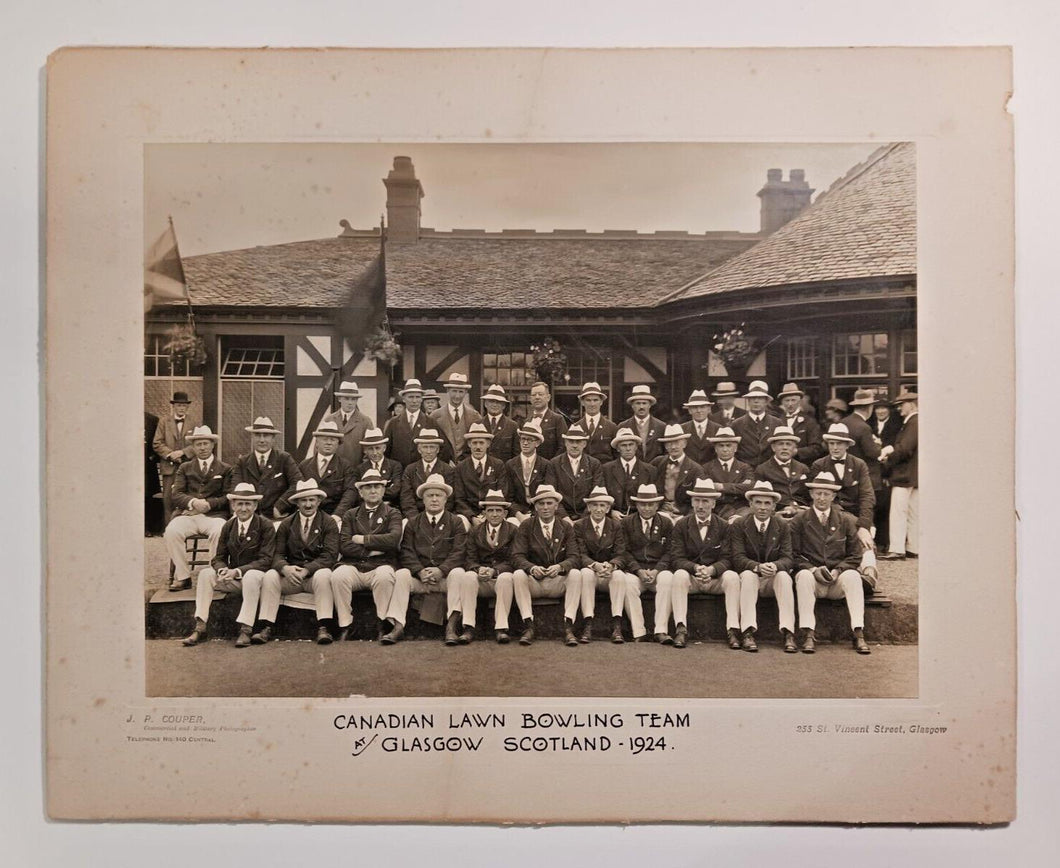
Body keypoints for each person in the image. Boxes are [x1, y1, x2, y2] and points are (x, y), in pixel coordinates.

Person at [181, 482, 277, 648]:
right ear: (233, 506)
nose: (244, 508)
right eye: (239, 504)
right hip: (234, 578)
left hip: (257, 577)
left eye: (248, 504)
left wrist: (237, 571)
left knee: (252, 576)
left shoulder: (265, 525)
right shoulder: (228, 526)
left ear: (255, 506)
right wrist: (222, 569)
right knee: (205, 574)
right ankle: (200, 625)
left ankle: (246, 629)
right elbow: (218, 557)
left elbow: (266, 560)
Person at [790, 471, 871, 654]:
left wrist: (839, 570)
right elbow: (793, 555)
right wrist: (812, 569)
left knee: (852, 575)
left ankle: (858, 632)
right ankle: (808, 633)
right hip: (813, 581)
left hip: (837, 581)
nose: (822, 498)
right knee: (802, 576)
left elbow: (855, 556)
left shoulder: (845, 520)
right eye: (818, 493)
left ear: (833, 496)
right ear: (811, 494)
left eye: (826, 494)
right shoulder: (800, 520)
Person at [394, 473, 478, 646]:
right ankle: (398, 625)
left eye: (438, 495)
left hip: (445, 578)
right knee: (402, 574)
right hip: (421, 578)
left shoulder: (455, 522)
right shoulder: (413, 523)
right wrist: (418, 570)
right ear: (423, 500)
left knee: (458, 573)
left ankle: (452, 626)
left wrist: (442, 569)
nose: (434, 499)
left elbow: (459, 551)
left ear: (445, 499)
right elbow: (407, 551)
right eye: (429, 495)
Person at [259, 479, 340, 645]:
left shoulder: (328, 522)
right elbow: (277, 555)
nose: (308, 504)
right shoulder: (286, 524)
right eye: (303, 500)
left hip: (314, 577)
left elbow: (330, 555)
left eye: (312, 500)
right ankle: (266, 626)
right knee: (270, 576)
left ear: (319, 501)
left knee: (325, 575)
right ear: (296, 503)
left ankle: (324, 627)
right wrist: (285, 569)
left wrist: (307, 570)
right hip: (292, 578)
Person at [329, 469, 405, 644]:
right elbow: (345, 545)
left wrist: (363, 539)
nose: (373, 491)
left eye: (377, 487)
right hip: (354, 565)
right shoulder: (351, 514)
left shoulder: (392, 513)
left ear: (383, 490)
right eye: (368, 487)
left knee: (385, 576)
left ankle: (382, 624)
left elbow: (392, 540)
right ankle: (345, 625)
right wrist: (370, 551)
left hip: (381, 564)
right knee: (339, 576)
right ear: (360, 492)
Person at [665, 478, 741, 649]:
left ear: (713, 504)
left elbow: (728, 558)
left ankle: (733, 629)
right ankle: (681, 628)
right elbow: (676, 558)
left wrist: (713, 569)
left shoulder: (724, 526)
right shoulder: (681, 525)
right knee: (678, 575)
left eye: (705, 501)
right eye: (697, 500)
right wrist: (695, 568)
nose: (700, 506)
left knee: (732, 577)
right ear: (691, 502)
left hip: (714, 580)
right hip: (692, 578)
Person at [510, 485, 584, 646]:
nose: (545, 507)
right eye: (541, 504)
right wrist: (531, 568)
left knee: (576, 574)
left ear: (556, 506)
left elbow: (575, 557)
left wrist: (560, 567)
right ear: (535, 506)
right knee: (517, 575)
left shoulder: (565, 527)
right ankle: (528, 625)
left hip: (557, 580)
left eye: (549, 503)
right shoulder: (526, 526)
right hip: (534, 582)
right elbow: (516, 556)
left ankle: (568, 626)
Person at [809, 423, 879, 592]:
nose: (834, 447)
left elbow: (867, 496)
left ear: (847, 445)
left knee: (865, 538)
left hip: (855, 516)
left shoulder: (859, 464)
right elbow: (818, 497)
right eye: (831, 443)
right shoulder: (819, 464)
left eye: (839, 443)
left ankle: (869, 574)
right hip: (830, 514)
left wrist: (864, 525)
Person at [730, 481, 797, 653]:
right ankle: (747, 631)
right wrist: (758, 567)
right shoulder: (739, 525)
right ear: (750, 504)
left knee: (784, 576)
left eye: (767, 503)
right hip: (749, 578)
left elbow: (788, 558)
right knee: (748, 575)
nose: (762, 507)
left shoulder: (782, 526)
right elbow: (737, 558)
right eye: (758, 502)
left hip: (771, 579)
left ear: (774, 506)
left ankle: (788, 632)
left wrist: (775, 566)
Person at [163, 425, 232, 592]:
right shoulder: (184, 468)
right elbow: (176, 494)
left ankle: (214, 575)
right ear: (193, 447)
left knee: (220, 530)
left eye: (206, 443)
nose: (202, 448)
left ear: (213, 445)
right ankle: (183, 576)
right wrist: (194, 502)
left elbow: (228, 496)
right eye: (198, 444)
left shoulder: (225, 468)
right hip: (188, 515)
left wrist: (208, 505)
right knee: (171, 531)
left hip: (214, 516)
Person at [571, 486, 630, 643]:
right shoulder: (579, 526)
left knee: (619, 575)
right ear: (589, 507)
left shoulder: (616, 526)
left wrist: (611, 565)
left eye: (602, 505)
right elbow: (579, 554)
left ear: (608, 508)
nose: (598, 509)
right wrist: (594, 565)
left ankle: (617, 623)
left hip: (608, 573)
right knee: (585, 573)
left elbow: (621, 553)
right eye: (594, 505)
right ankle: (588, 622)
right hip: (591, 572)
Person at [619, 484, 676, 643]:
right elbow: (624, 551)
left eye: (651, 504)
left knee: (667, 579)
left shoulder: (666, 523)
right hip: (637, 572)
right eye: (643, 504)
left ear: (657, 505)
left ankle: (661, 630)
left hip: (657, 572)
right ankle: (638, 631)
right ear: (636, 505)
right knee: (627, 582)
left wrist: (657, 570)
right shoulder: (626, 523)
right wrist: (638, 571)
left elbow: (670, 552)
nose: (646, 508)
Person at [464, 489, 519, 643]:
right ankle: (468, 627)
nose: (494, 514)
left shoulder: (513, 531)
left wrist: (495, 570)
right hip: (481, 576)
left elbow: (515, 559)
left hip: (501, 575)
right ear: (484, 514)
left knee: (506, 578)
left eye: (498, 511)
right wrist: (477, 569)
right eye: (490, 510)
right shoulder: (475, 531)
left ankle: (501, 628)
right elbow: (469, 558)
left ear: (505, 514)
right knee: (468, 577)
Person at [231, 416, 302, 519]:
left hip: (277, 517)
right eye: (258, 435)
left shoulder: (284, 458)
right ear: (252, 437)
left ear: (273, 438)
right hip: (249, 516)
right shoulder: (243, 462)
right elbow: (235, 489)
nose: (262, 440)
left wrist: (280, 506)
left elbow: (298, 483)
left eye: (266, 435)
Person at [843, 388, 886, 548]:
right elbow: (873, 452)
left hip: (846, 474)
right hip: (865, 474)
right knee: (867, 508)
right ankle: (867, 545)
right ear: (869, 408)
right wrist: (879, 445)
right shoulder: (864, 427)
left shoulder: (844, 422)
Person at [879, 389, 919, 560]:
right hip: (915, 476)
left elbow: (905, 449)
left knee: (898, 512)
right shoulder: (917, 421)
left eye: (902, 405)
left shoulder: (913, 422)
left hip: (904, 475)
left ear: (911, 405)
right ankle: (914, 547)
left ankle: (897, 548)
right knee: (913, 512)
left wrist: (887, 456)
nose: (899, 408)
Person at [152, 390, 200, 524]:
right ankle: (169, 529)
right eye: (179, 405)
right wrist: (170, 454)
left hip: (188, 467)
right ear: (173, 406)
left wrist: (183, 452)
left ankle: (186, 529)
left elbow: (197, 444)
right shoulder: (164, 422)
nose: (181, 408)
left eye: (184, 406)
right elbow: (157, 443)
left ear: (187, 407)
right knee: (168, 499)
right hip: (169, 467)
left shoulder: (194, 422)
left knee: (187, 497)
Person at [295, 420, 357, 522]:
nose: (328, 443)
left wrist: (337, 515)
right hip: (308, 515)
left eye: (332, 440)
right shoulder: (304, 465)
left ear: (338, 444)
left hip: (335, 516)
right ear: (317, 443)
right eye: (325, 439)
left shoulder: (345, 466)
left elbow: (350, 493)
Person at [453, 422, 510, 527]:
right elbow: (459, 498)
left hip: (493, 511)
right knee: (461, 524)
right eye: (474, 443)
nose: (478, 447)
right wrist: (472, 517)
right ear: (469, 444)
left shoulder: (498, 465)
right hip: (469, 514)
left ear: (488, 444)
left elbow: (502, 492)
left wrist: (488, 513)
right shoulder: (461, 467)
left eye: (481, 443)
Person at [546, 423, 602, 522]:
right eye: (571, 441)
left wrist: (584, 519)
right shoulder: (554, 464)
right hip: (561, 516)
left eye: (578, 442)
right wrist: (564, 517)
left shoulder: (594, 464)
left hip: (587, 516)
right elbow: (551, 494)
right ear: (565, 443)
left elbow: (596, 494)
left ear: (584, 444)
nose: (575, 445)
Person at [398, 428, 456, 519]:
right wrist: (415, 519)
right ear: (419, 449)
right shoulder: (410, 470)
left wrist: (438, 517)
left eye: (432, 447)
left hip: (441, 515)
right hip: (415, 515)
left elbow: (450, 499)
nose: (428, 451)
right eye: (425, 447)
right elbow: (406, 499)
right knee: (405, 524)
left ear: (437, 450)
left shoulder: (447, 470)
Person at [754, 426, 812, 517]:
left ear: (794, 448)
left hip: (802, 511)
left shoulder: (803, 468)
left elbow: (809, 495)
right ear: (773, 447)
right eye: (781, 444)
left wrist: (804, 508)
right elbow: (761, 499)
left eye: (788, 444)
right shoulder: (762, 470)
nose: (785, 448)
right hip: (777, 513)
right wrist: (782, 508)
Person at [599, 428, 655, 520]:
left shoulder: (649, 470)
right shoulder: (606, 469)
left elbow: (654, 499)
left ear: (636, 446)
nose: (628, 449)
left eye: (631, 445)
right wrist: (610, 511)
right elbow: (601, 495)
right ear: (617, 448)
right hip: (614, 519)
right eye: (623, 445)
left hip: (640, 518)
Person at [701, 427, 755, 522]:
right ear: (715, 448)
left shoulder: (745, 468)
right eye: (721, 446)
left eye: (728, 445)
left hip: (740, 508)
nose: (725, 449)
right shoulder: (706, 468)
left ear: (735, 448)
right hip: (716, 509)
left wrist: (721, 487)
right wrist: (738, 487)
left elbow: (749, 487)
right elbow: (707, 491)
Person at [650, 424, 704, 516]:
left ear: (684, 444)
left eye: (677, 442)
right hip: (660, 512)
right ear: (666, 446)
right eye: (669, 443)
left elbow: (699, 498)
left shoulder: (695, 469)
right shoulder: (657, 463)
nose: (673, 447)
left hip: (683, 514)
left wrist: (688, 519)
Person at [429, 372, 482, 464]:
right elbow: (431, 444)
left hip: (467, 466)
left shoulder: (475, 416)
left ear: (465, 392)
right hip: (443, 465)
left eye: (461, 391)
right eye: (454, 391)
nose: (457, 396)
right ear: (448, 391)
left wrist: (465, 462)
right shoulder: (435, 416)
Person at [321, 380, 374, 469]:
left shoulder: (365, 421)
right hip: (332, 471)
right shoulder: (329, 420)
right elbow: (320, 446)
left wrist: (362, 469)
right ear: (339, 399)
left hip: (355, 471)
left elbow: (370, 449)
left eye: (353, 399)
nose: (350, 402)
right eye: (346, 398)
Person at [506, 419, 550, 522]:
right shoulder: (511, 464)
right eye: (523, 439)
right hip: (517, 513)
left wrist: (535, 514)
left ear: (537, 443)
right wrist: (518, 514)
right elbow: (508, 496)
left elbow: (546, 494)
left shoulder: (545, 465)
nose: (525, 443)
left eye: (530, 440)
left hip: (539, 512)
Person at [731, 380, 782, 468]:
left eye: (760, 398)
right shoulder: (737, 424)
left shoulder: (777, 423)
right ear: (748, 401)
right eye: (753, 398)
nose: (756, 401)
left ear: (766, 401)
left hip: (771, 470)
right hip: (745, 471)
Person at [351, 427, 403, 509]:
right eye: (371, 449)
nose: (375, 453)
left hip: (391, 508)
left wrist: (369, 495)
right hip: (367, 508)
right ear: (365, 451)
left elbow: (395, 491)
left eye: (377, 448)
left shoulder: (395, 466)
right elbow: (358, 494)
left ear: (384, 448)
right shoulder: (360, 469)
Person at [775, 382, 824, 464]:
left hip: (802, 465)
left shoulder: (809, 421)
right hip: (779, 466)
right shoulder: (777, 421)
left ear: (799, 401)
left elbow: (817, 448)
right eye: (787, 400)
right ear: (782, 402)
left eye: (793, 400)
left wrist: (797, 452)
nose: (790, 404)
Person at [382, 378, 428, 467]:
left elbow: (441, 450)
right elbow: (386, 450)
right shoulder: (393, 423)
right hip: (400, 474)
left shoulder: (430, 421)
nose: (414, 401)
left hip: (422, 475)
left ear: (422, 399)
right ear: (403, 399)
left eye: (417, 397)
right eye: (410, 397)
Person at [617, 384, 667, 462]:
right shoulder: (623, 426)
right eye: (638, 403)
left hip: (655, 470)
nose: (641, 407)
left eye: (644, 403)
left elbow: (665, 452)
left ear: (650, 405)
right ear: (632, 405)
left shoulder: (661, 426)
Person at [525, 381, 568, 460]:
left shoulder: (558, 419)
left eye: (540, 394)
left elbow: (563, 447)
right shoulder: (526, 422)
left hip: (551, 468)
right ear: (530, 399)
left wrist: (551, 465)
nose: (537, 397)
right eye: (534, 395)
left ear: (548, 397)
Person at [577, 381, 618, 464]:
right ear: (582, 402)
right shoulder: (576, 427)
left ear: (601, 402)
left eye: (595, 400)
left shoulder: (612, 427)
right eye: (588, 400)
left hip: (605, 474)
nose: (592, 404)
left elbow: (616, 456)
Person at [480, 384, 521, 462]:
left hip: (504, 471)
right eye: (491, 401)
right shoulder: (478, 424)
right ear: (485, 404)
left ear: (503, 405)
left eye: (498, 402)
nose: (494, 405)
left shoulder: (512, 426)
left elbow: (517, 455)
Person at [681, 389, 720, 465]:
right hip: (690, 473)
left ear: (709, 409)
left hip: (711, 474)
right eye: (695, 407)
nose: (699, 410)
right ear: (689, 410)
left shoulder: (718, 429)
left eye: (702, 407)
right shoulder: (682, 429)